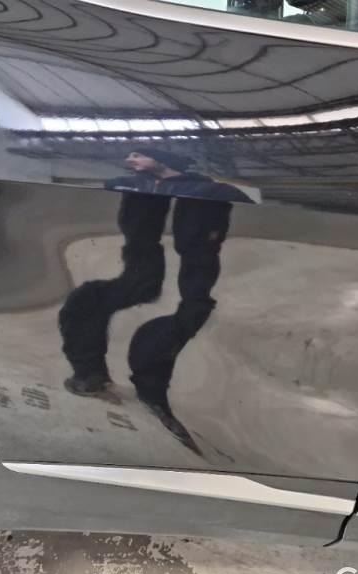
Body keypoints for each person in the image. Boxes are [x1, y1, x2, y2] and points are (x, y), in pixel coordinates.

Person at [58, 148, 251, 455]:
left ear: (163, 156)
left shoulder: (213, 191)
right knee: (85, 301)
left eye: (138, 154)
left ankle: (154, 394)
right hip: (141, 272)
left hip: (193, 280)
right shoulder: (126, 184)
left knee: (169, 328)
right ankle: (91, 373)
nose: (129, 160)